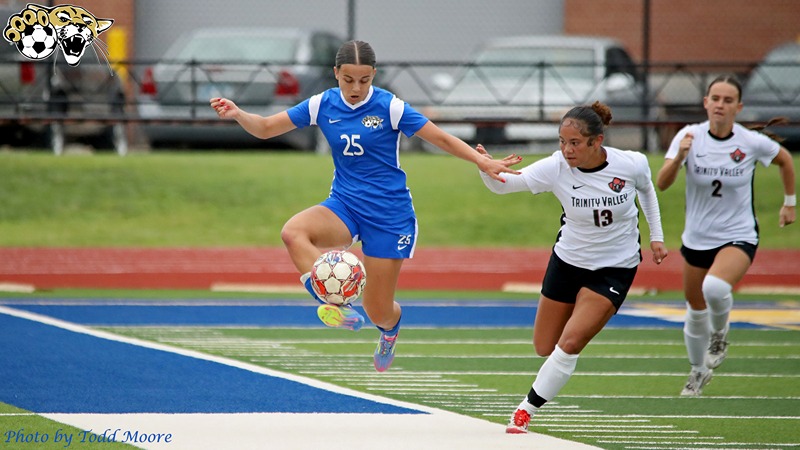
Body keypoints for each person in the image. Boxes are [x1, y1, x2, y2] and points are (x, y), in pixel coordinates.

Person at [209, 40, 521, 373]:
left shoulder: (390, 107)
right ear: (336, 74)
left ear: (373, 75)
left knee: (378, 310)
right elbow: (268, 127)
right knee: (294, 232)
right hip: (344, 204)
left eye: (364, 80)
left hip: (389, 215)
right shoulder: (321, 104)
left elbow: (440, 138)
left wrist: (481, 161)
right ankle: (333, 300)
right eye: (348, 80)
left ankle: (390, 330)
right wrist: (239, 113)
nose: (356, 88)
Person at [477, 101, 668, 434]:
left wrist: (657, 237)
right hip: (567, 262)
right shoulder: (555, 167)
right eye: (562, 142)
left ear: (597, 141)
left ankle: (525, 410)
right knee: (544, 346)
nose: (566, 150)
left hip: (614, 268)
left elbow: (647, 190)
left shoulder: (631, 164)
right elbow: (503, 185)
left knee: (570, 343)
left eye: (575, 143)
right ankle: (545, 383)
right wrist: (485, 167)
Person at [656, 74, 796, 396]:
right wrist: (679, 157)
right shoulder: (688, 136)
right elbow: (663, 183)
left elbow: (785, 160)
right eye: (715, 99)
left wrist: (789, 204)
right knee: (694, 308)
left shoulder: (749, 142)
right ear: (706, 103)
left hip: (738, 234)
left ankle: (720, 334)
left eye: (727, 100)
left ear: (739, 106)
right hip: (697, 237)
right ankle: (697, 372)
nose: (720, 105)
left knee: (715, 287)